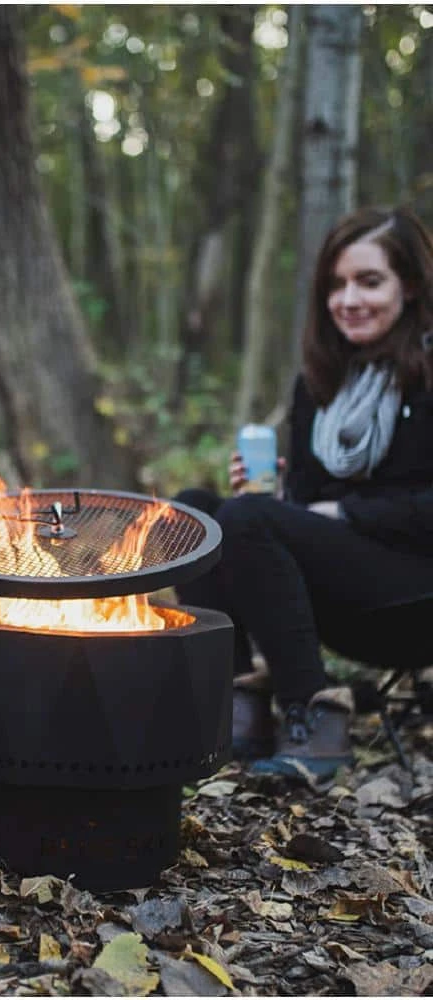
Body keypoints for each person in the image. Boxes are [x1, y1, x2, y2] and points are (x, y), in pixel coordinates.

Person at [175, 205, 433, 780]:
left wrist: (341, 512)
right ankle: (238, 707)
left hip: (416, 597)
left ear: (411, 286)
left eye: (369, 281)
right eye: (336, 285)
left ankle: (316, 721)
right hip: (345, 588)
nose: (348, 300)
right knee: (194, 515)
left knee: (248, 519)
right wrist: (270, 499)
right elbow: (306, 505)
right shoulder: (320, 383)